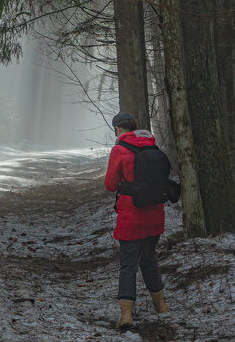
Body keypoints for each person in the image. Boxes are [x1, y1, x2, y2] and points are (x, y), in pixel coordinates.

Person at [104, 111, 170, 331]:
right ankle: (161, 307)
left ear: (117, 129)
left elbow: (111, 185)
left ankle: (126, 316)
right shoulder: (152, 147)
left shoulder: (120, 150)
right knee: (149, 259)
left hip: (132, 216)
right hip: (155, 214)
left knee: (128, 265)